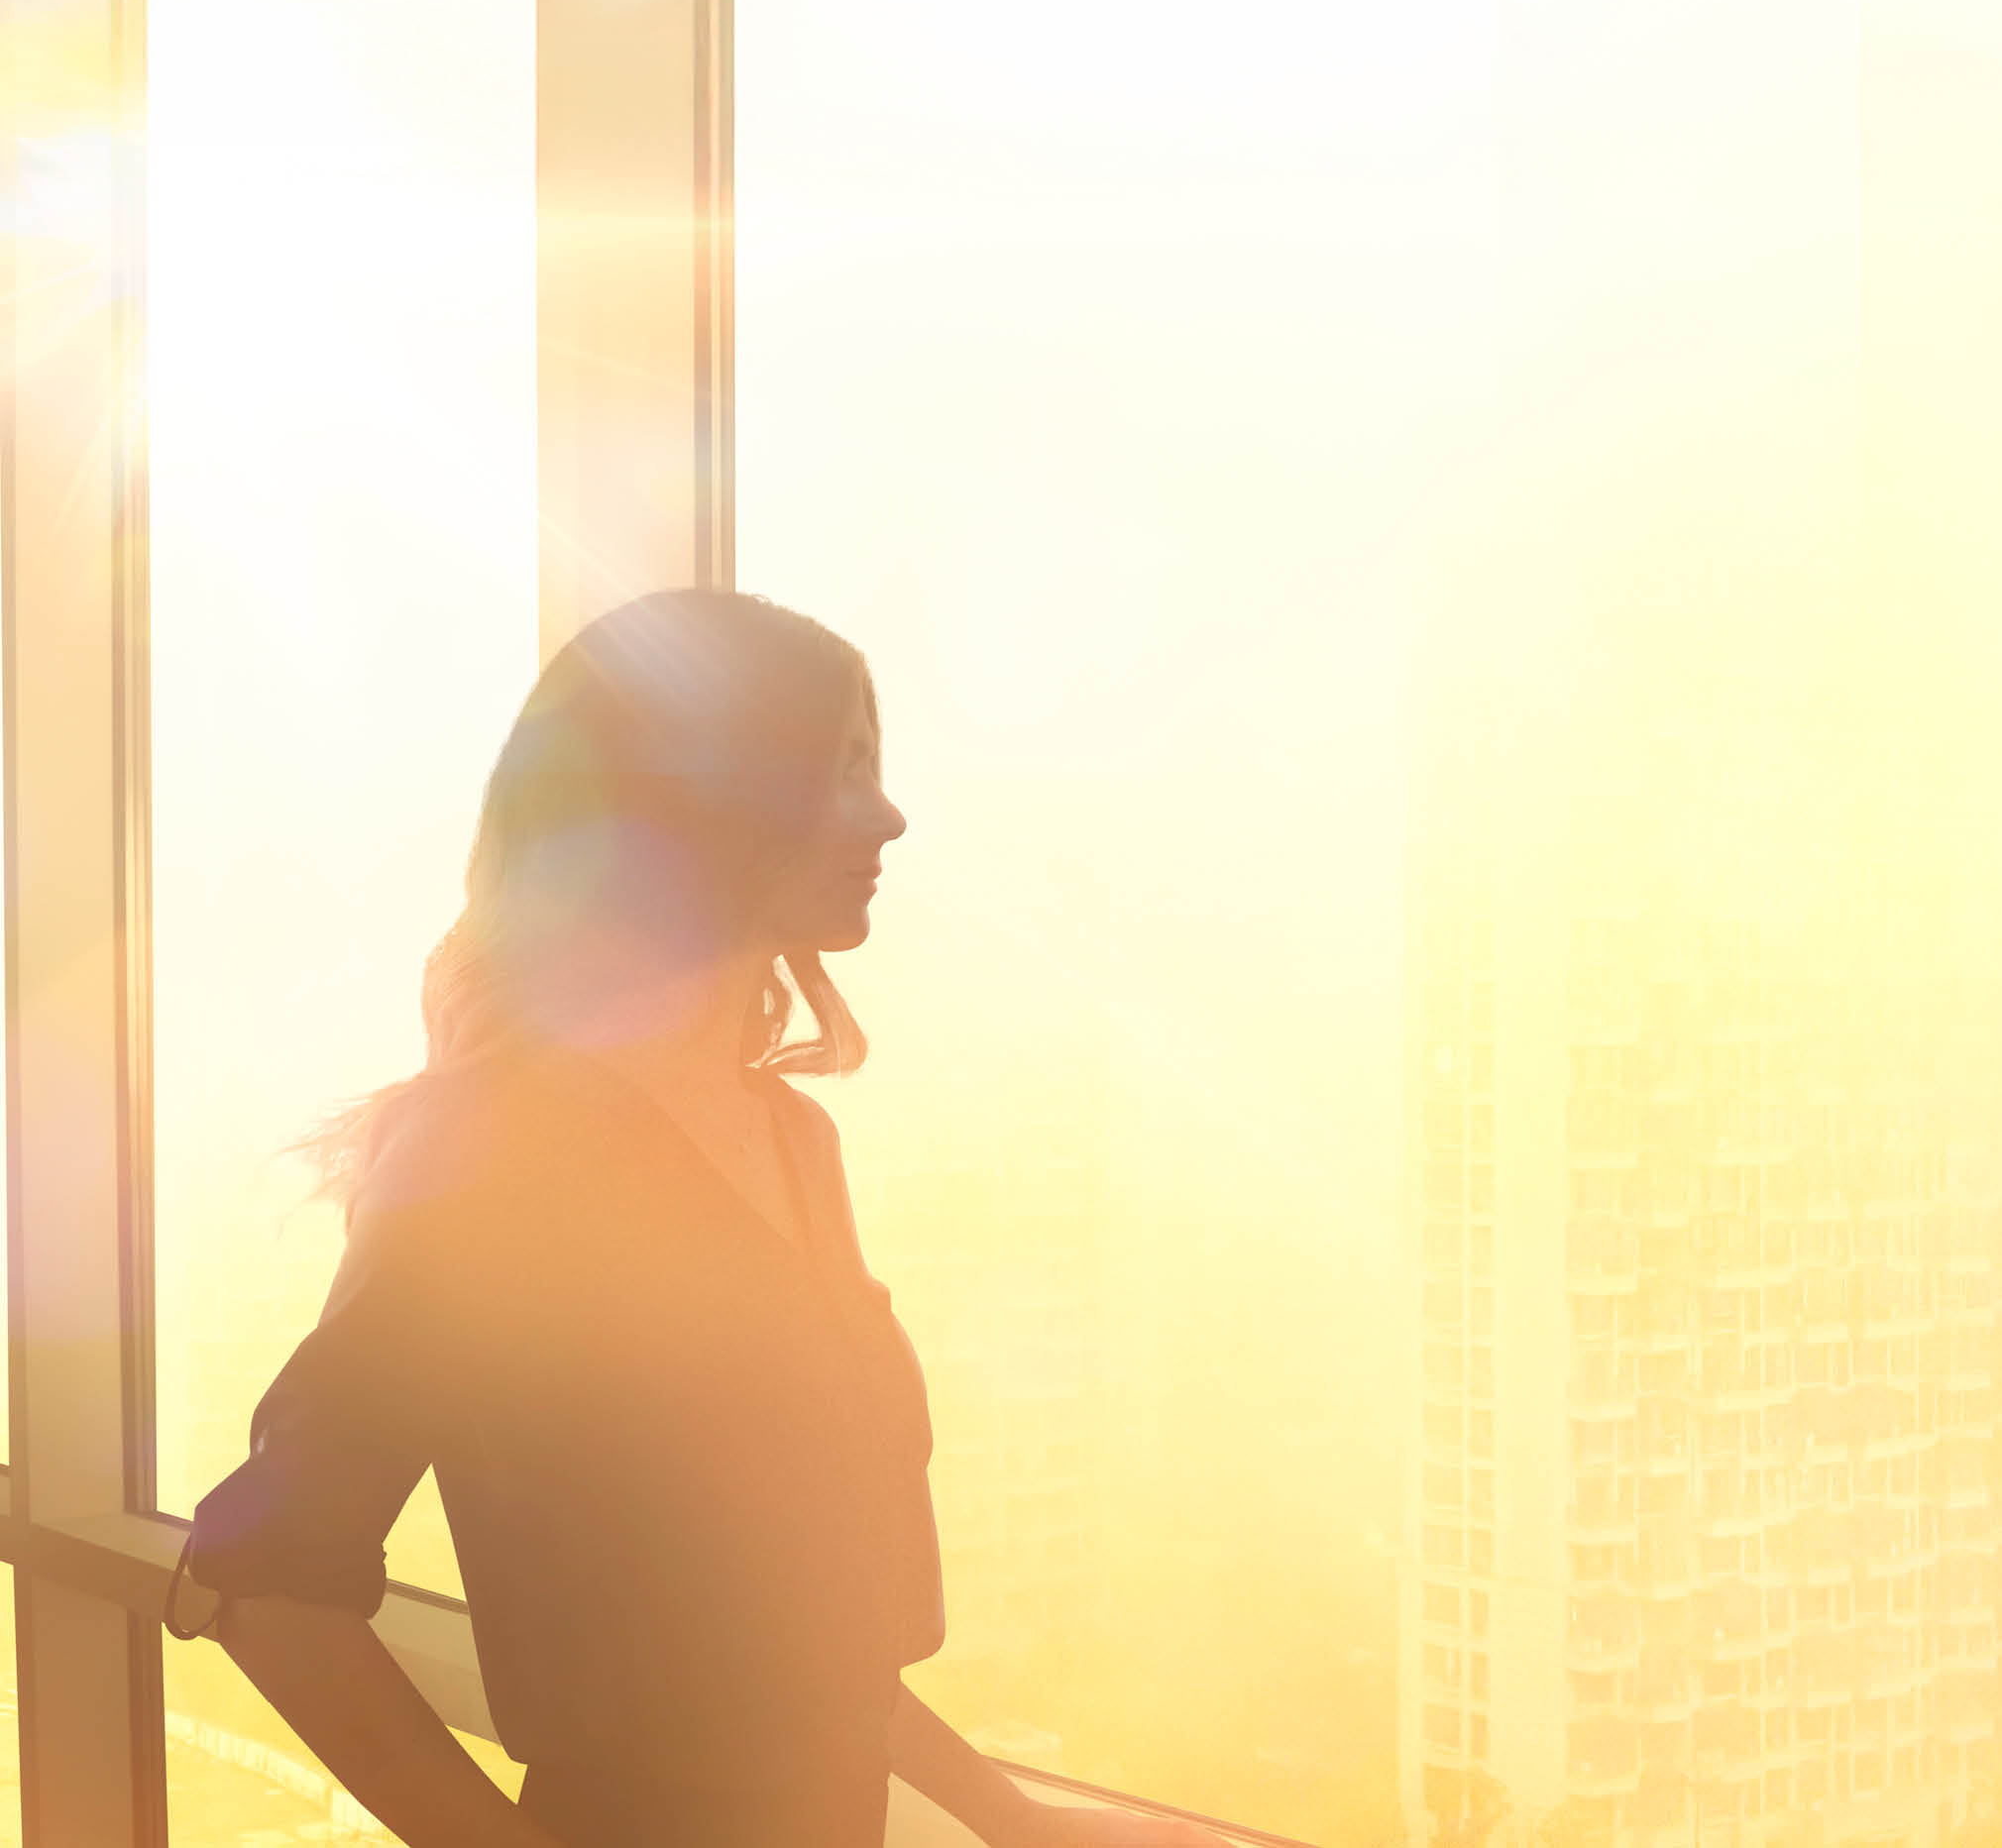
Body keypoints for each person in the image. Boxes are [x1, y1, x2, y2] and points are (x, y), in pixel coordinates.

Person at [166, 589, 1225, 1848]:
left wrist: (1009, 1813)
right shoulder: (494, 1151)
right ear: (694, 800)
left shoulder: (791, 1137)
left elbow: (800, 1641)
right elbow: (267, 1580)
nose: (889, 815)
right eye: (839, 770)